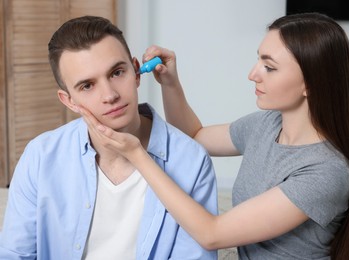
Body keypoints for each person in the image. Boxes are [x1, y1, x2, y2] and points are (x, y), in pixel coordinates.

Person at [77, 12, 349, 259]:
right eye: (258, 60)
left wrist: (137, 156)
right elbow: (194, 136)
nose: (253, 74)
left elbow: (212, 234)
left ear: (309, 84)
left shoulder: (325, 172)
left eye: (269, 67)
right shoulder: (267, 126)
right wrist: (170, 83)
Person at [0, 15, 219, 259]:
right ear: (68, 100)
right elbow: (15, 254)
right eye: (87, 86)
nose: (110, 95)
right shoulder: (40, 156)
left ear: (136, 72)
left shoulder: (192, 162)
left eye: (116, 73)